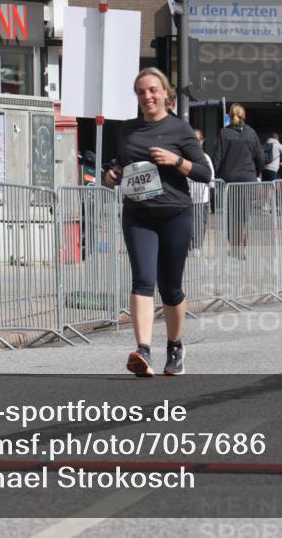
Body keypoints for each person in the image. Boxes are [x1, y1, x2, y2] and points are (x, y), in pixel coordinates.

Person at [104, 67, 212, 378]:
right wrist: (111, 176)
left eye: (152, 90)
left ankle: (175, 346)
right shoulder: (127, 129)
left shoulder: (180, 131)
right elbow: (120, 166)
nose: (147, 96)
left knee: (170, 287)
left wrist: (176, 161)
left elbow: (204, 173)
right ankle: (143, 350)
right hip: (138, 214)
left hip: (175, 215)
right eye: (141, 91)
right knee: (142, 279)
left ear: (166, 93)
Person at [213, 103, 263, 256]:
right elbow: (260, 157)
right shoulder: (251, 133)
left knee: (232, 215)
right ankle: (242, 248)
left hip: (230, 181)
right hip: (248, 180)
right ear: (244, 116)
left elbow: (217, 158)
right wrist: (256, 173)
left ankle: (234, 248)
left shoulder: (224, 133)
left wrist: (213, 176)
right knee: (244, 216)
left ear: (229, 115)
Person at [189, 129, 216, 254]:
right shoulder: (188, 156)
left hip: (204, 195)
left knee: (202, 221)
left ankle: (197, 244)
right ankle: (195, 245)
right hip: (192, 195)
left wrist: (212, 188)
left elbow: (211, 176)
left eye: (199, 139)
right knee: (196, 222)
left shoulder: (205, 157)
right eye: (195, 139)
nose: (198, 142)